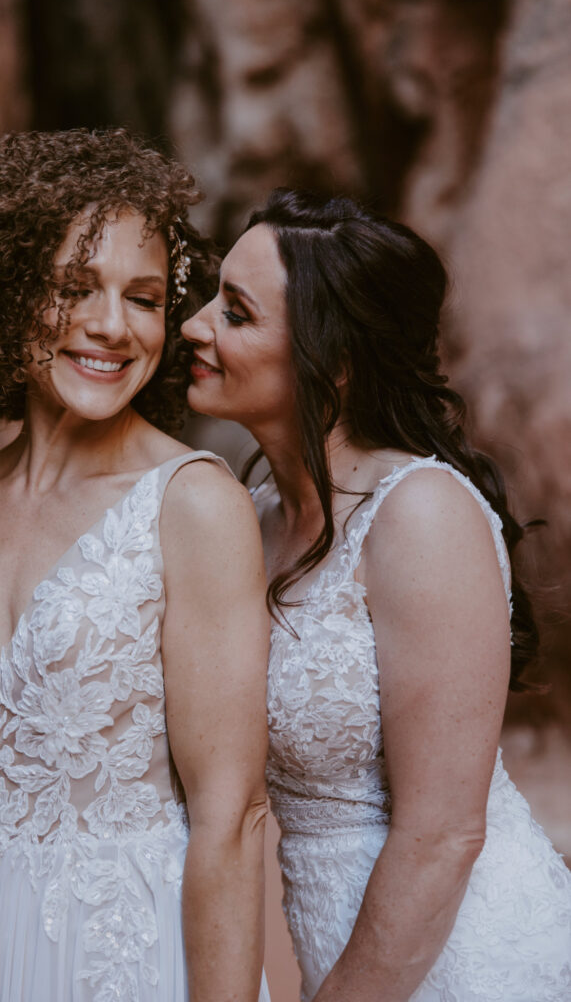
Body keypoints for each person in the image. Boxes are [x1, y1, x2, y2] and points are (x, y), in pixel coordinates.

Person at [0, 129, 271, 1002]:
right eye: (73, 288)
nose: (112, 326)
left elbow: (231, 818)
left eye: (142, 298)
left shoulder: (191, 506)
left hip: (113, 958)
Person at [181, 188, 571, 1002]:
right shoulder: (243, 521)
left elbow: (443, 833)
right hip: (328, 937)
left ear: (334, 357)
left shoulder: (420, 515)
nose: (193, 326)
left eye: (236, 313)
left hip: (457, 956)